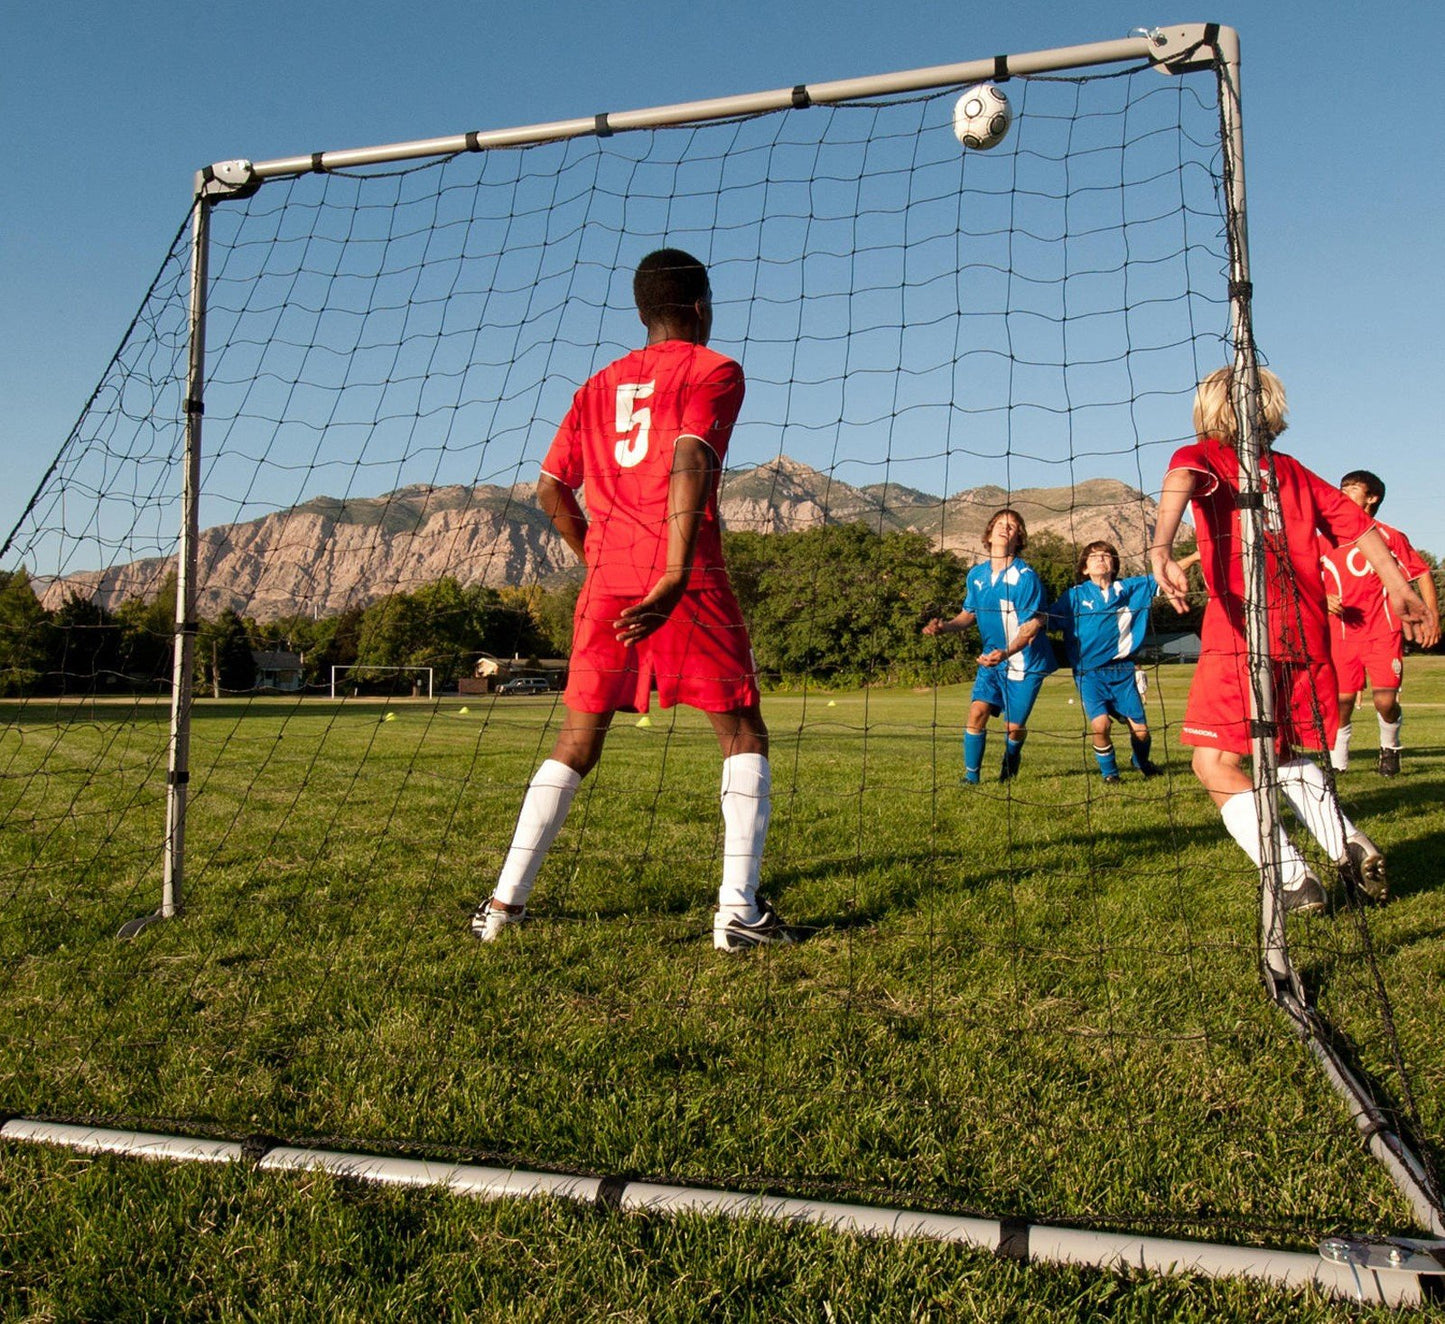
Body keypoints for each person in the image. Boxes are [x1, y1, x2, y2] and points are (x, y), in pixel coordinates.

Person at [470, 249, 790, 953]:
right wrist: (672, 571)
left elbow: (550, 490)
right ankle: (736, 909)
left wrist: (600, 559)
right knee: (741, 732)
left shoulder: (595, 385)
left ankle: (502, 906)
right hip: (684, 575)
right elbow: (687, 456)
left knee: (577, 741)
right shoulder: (713, 369)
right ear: (701, 307)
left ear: (642, 312)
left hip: (608, 581)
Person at [1151, 366, 1429, 912]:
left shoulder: (1204, 456)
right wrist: (1399, 587)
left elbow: (1180, 479)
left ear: (1211, 407)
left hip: (1242, 630)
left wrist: (1161, 546)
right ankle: (1347, 841)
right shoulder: (1293, 470)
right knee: (1277, 751)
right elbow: (1362, 529)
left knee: (1213, 763)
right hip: (1303, 632)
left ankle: (1294, 880)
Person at [1318, 470, 1440, 776]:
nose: (1343, 492)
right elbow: (1304, 578)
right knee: (1342, 700)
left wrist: (1432, 617)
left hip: (1383, 633)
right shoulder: (1324, 538)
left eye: (1352, 489)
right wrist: (1323, 597)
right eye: (1341, 487)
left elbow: (1422, 572)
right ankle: (1338, 762)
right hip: (1342, 636)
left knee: (1385, 701)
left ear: (1372, 498)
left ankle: (1390, 748)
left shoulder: (1389, 536)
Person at [924, 508, 1057, 783]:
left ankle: (1012, 758)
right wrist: (945, 627)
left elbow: (1029, 630)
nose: (1004, 528)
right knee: (977, 712)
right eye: (1000, 523)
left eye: (1012, 526)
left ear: (1019, 538)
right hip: (991, 660)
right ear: (989, 531)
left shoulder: (1025, 577)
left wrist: (1006, 653)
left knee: (1013, 727)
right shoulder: (976, 575)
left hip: (1024, 662)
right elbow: (968, 615)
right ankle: (971, 778)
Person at [1049, 540, 1166, 784]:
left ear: (1114, 564)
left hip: (1122, 671)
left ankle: (1141, 762)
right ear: (1084, 568)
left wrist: (1197, 556)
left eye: (1106, 555)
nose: (1101, 558)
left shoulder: (1131, 588)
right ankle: (1110, 774)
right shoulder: (1073, 597)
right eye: (1094, 556)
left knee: (1142, 732)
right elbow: (1046, 620)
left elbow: (1165, 575)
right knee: (1101, 726)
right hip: (1089, 673)